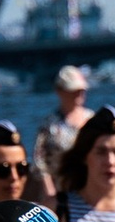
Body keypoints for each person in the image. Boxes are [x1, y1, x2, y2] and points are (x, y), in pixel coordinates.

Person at [34, 67, 95, 198]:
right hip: (59, 190)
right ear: (60, 91)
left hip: (90, 188)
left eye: (81, 90)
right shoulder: (50, 124)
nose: (78, 94)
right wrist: (49, 191)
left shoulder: (93, 120)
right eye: (73, 90)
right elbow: (39, 160)